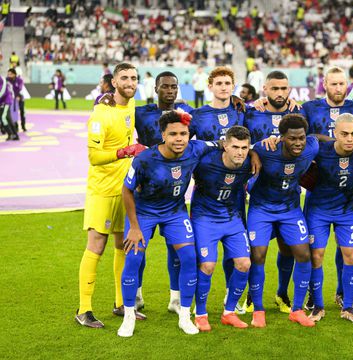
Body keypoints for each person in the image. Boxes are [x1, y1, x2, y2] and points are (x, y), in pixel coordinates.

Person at [117, 110, 217, 337]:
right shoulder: (144, 159)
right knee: (133, 258)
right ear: (163, 135)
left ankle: (184, 315)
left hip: (175, 212)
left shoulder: (196, 148)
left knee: (190, 258)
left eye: (183, 133)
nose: (179, 138)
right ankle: (129, 316)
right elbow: (127, 190)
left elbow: (223, 143)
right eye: (173, 134)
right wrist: (133, 226)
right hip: (144, 213)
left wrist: (255, 154)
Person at [75, 63, 146, 328]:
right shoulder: (100, 115)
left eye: (134, 78)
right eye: (124, 78)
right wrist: (126, 152)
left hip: (124, 189)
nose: (130, 82)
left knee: (122, 245)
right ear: (113, 82)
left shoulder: (130, 103)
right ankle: (84, 309)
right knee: (96, 246)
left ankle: (120, 304)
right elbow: (94, 157)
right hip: (102, 190)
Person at [304, 113, 353, 323]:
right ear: (334, 133)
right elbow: (302, 142)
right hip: (318, 211)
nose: (349, 138)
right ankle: (317, 306)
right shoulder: (320, 150)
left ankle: (348, 307)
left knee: (351, 255)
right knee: (316, 255)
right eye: (344, 134)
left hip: (346, 211)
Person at [248, 114, 318, 328]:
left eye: (301, 138)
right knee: (257, 254)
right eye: (292, 139)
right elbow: (246, 148)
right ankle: (258, 310)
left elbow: (319, 139)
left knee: (303, 253)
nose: (298, 143)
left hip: (290, 209)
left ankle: (296, 309)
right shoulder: (265, 149)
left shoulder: (311, 146)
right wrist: (252, 152)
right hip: (261, 208)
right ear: (281, 137)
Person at [242, 71, 299, 314]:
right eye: (274, 88)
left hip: (289, 197)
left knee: (288, 248)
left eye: (283, 88)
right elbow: (239, 140)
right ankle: (254, 297)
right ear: (264, 88)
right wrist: (255, 150)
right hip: (261, 195)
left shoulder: (298, 112)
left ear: (289, 89)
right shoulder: (251, 112)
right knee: (258, 251)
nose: (279, 93)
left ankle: (282, 293)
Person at [192, 126, 256, 331]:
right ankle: (200, 314)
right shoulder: (204, 163)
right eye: (235, 147)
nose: (240, 152)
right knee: (208, 266)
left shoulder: (249, 162)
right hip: (205, 218)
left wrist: (255, 155)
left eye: (244, 148)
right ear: (224, 146)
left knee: (244, 263)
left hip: (231, 218)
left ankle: (229, 312)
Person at [0, 74, 19, 140]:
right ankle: (13, 134)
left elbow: (2, 91)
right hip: (3, 101)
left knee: (4, 117)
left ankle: (12, 134)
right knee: (6, 118)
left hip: (6, 101)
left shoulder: (2, 79)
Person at [6, 68, 25, 132]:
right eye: (8, 74)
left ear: (14, 74)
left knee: (22, 111)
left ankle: (23, 126)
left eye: (10, 74)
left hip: (20, 98)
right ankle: (15, 127)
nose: (9, 75)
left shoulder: (19, 80)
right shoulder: (7, 80)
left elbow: (20, 88)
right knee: (12, 113)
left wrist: (18, 96)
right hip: (11, 99)